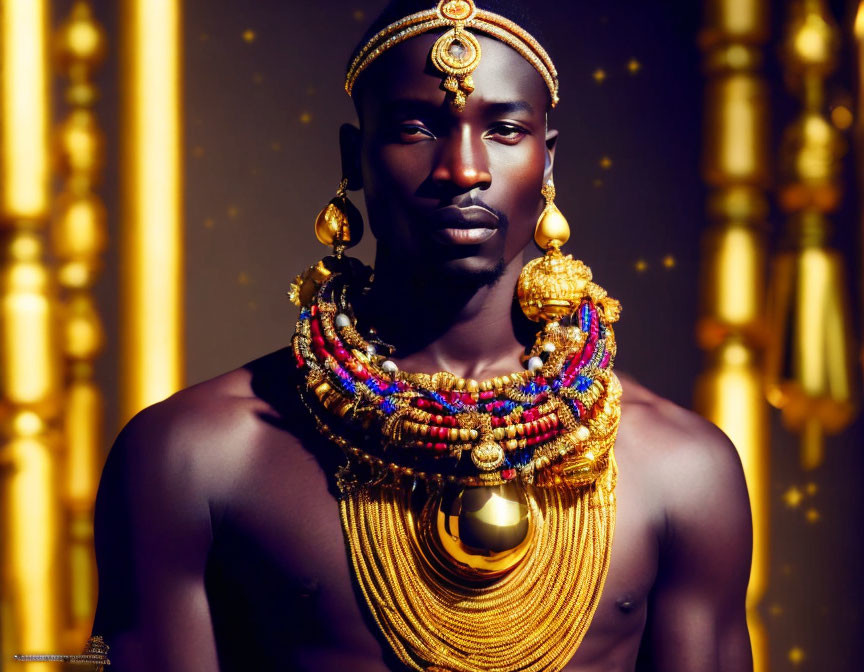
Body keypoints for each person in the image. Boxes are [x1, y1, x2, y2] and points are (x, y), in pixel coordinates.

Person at [90, 1, 753, 670]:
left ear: (548, 162)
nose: (463, 169)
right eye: (416, 127)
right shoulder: (194, 458)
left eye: (503, 129)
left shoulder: (682, 472)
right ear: (354, 157)